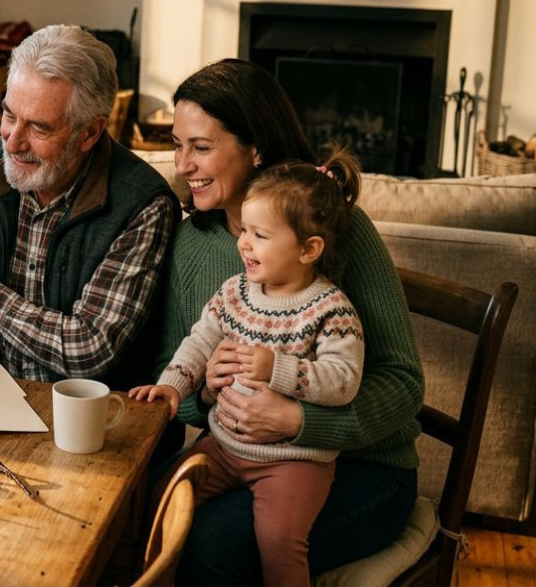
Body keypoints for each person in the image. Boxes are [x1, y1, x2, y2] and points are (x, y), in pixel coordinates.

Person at [158, 59, 423, 582]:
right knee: (156, 504)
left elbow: (404, 384)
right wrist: (205, 391)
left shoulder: (335, 230)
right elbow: (177, 368)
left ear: (255, 147)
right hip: (241, 453)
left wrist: (301, 421)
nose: (182, 164)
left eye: (202, 147)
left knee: (213, 545)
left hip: (364, 467)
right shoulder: (193, 244)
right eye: (176, 143)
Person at [131, 149, 365, 587]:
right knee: (160, 498)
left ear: (308, 249)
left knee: (278, 542)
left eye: (260, 234)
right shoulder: (235, 292)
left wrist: (277, 368)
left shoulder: (330, 309)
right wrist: (172, 388)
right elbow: (199, 343)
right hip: (223, 447)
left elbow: (343, 381)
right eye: (245, 230)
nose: (244, 243)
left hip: (294, 463)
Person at [0, 25, 178, 386]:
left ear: (90, 132)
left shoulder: (142, 204)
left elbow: (89, 348)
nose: (12, 142)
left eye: (39, 128)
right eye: (9, 115)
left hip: (92, 416)